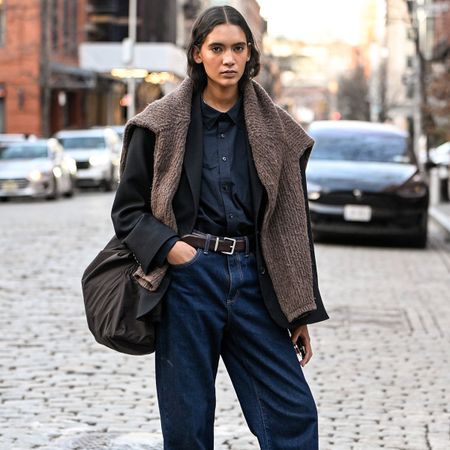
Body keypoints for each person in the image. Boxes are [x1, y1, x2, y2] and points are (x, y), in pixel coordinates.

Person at [111, 5, 329, 450]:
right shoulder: (159, 124)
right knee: (187, 421)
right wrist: (173, 249)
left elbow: (290, 222)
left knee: (292, 413)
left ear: (251, 55)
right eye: (217, 48)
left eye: (238, 48)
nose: (228, 59)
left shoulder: (279, 132)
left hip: (255, 282)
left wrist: (300, 309)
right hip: (190, 283)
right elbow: (128, 212)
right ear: (197, 54)